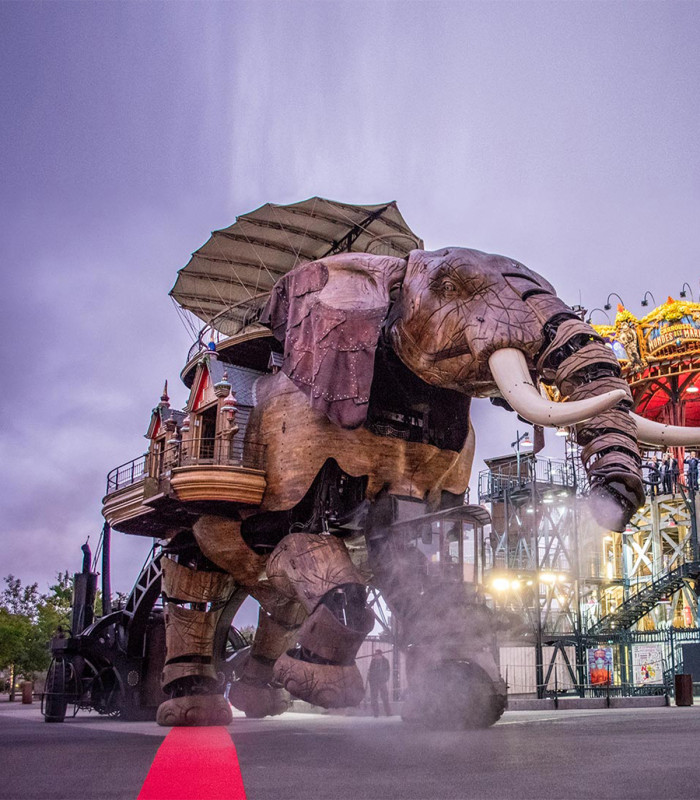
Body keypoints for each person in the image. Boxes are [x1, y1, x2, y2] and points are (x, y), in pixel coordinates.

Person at [367, 649, 391, 717]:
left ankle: (388, 712)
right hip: (374, 682)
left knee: (385, 697)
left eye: (377, 654)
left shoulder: (385, 661)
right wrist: (370, 680)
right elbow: (370, 670)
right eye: (375, 654)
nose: (375, 656)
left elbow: (388, 671)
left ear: (380, 654)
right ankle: (376, 713)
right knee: (374, 698)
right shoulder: (373, 661)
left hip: (382, 681)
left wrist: (385, 679)